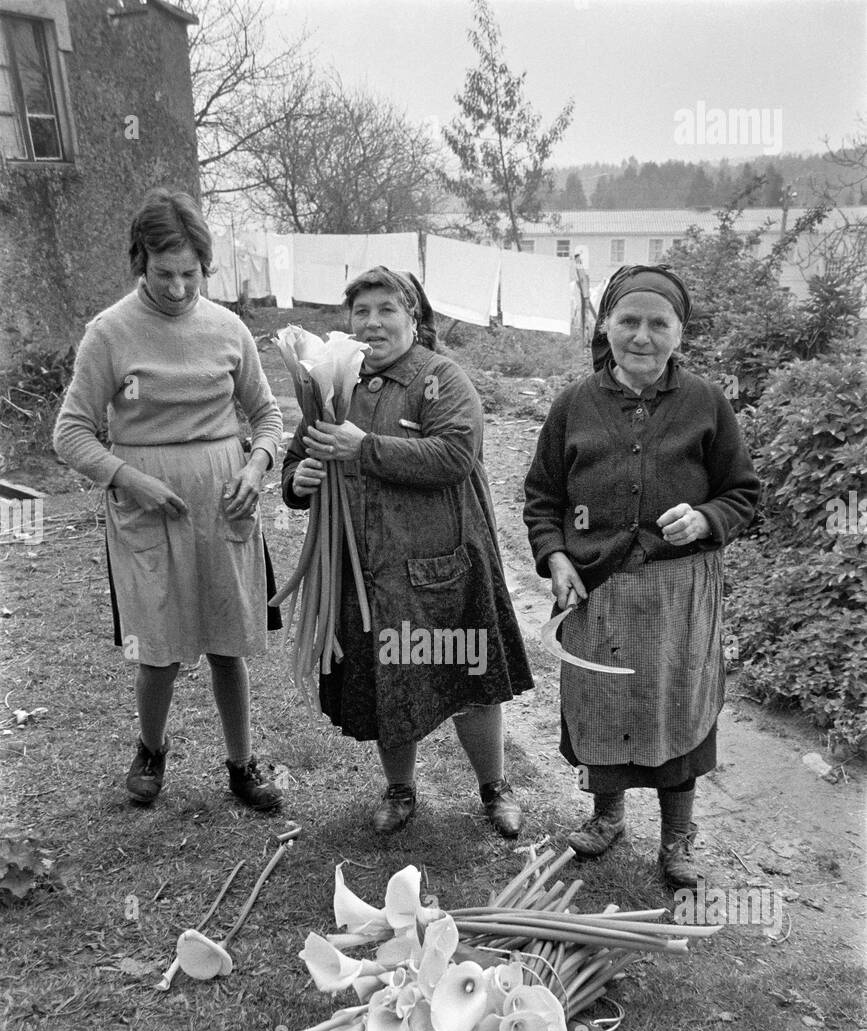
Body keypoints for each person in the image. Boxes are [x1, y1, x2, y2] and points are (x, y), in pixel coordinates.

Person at [523, 264, 759, 886]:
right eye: (629, 321)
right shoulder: (574, 403)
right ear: (606, 325)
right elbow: (542, 497)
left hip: (678, 592)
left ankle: (678, 836)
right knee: (603, 701)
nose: (643, 336)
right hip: (594, 588)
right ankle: (606, 818)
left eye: (660, 323)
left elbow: (743, 493)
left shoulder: (706, 403)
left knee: (676, 704)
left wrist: (707, 518)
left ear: (680, 331)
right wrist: (555, 557)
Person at [53, 188, 284, 811]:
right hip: (147, 507)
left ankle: (241, 763)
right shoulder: (110, 333)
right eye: (164, 274)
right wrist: (129, 477)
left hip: (224, 501)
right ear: (139, 262)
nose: (179, 289)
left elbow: (266, 416)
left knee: (227, 641)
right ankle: (151, 749)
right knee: (156, 647)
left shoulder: (229, 328)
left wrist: (257, 466)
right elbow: (69, 432)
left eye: (191, 274)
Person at [281, 266, 533, 837]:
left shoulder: (439, 378)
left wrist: (364, 446)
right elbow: (300, 459)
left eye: (386, 310)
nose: (372, 323)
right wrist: (297, 482)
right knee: (387, 679)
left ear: (412, 318)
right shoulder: (329, 385)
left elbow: (454, 456)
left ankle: (494, 790)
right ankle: (400, 790)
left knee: (468, 676)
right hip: (366, 571)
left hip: (441, 567)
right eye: (361, 311)